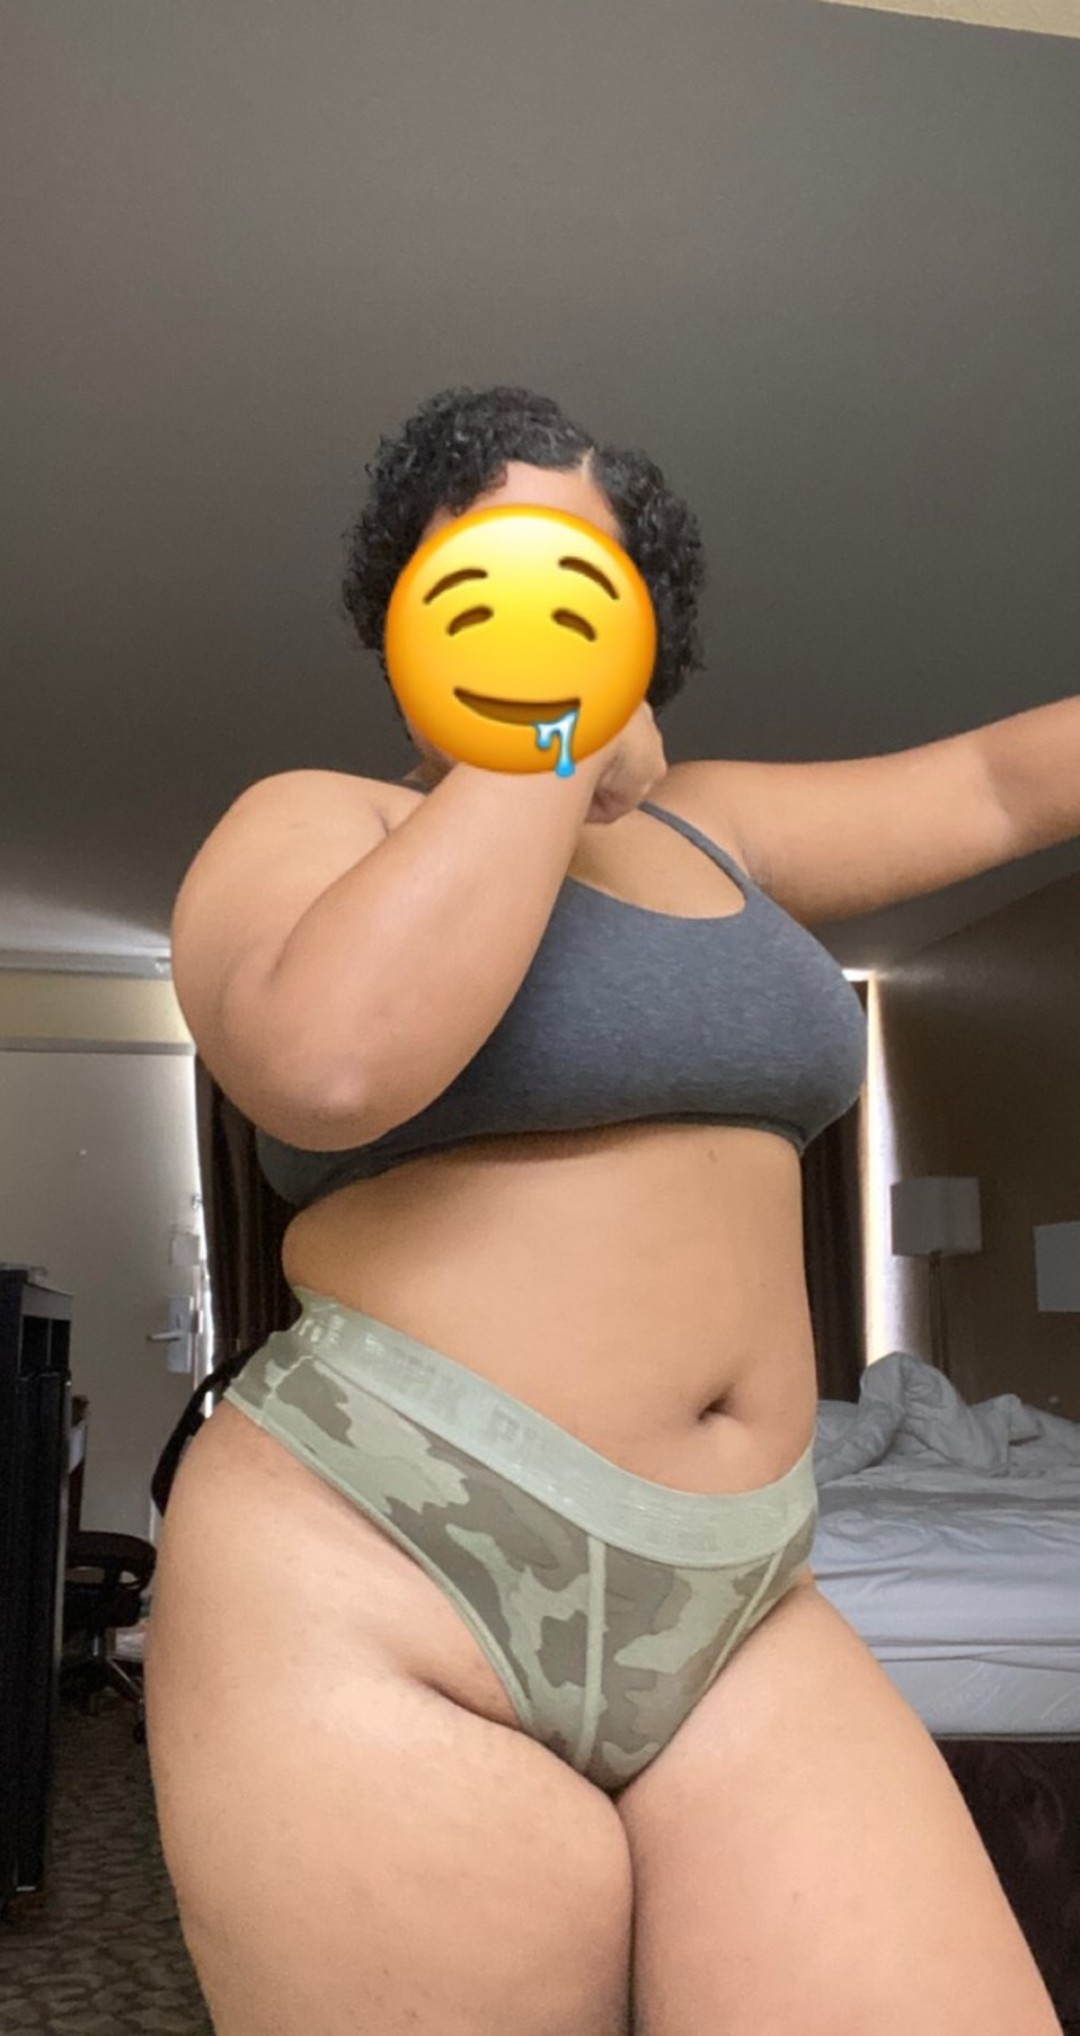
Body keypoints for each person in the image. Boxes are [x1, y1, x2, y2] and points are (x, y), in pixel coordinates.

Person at [145, 385, 1063, 2036]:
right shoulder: (319, 822)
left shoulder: (724, 831)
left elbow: (999, 787)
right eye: (487, 561)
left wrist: (616, 767)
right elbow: (329, 1063)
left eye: (585, 569)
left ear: (649, 617)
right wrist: (549, 744)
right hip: (378, 1567)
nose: (537, 597)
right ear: (408, 620)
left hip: (738, 1598)